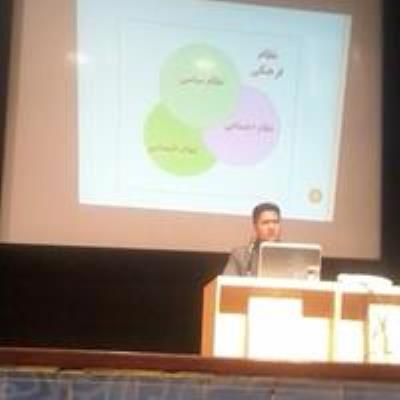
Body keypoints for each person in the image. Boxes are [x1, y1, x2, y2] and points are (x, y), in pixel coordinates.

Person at [223, 202, 281, 276]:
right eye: (265, 223)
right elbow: (227, 281)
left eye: (275, 222)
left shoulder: (290, 255)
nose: (271, 227)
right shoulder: (240, 255)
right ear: (255, 226)